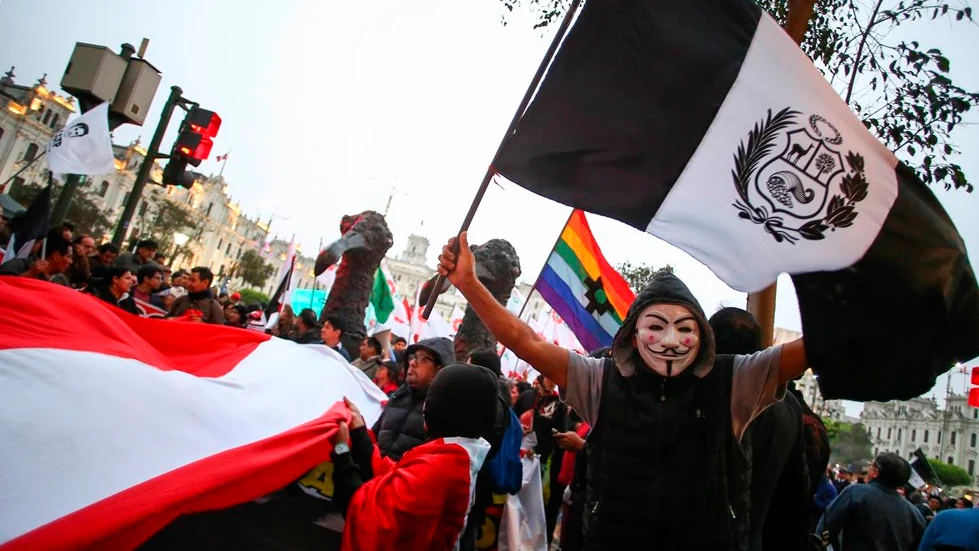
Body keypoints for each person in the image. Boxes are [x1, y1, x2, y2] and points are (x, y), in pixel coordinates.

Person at [436, 231, 811, 550]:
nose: (670, 341)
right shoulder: (601, 380)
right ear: (633, 334)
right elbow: (527, 341)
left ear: (703, 336)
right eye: (656, 326)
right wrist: (469, 283)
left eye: (684, 329)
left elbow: (806, 351)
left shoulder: (731, 382)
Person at [330, 365, 499, 551]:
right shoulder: (454, 456)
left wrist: (341, 452)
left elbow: (368, 519)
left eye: (433, 397)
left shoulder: (439, 469)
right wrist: (359, 434)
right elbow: (392, 480)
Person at [817, 452, 926, 551]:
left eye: (871, 466)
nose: (868, 469)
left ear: (875, 472)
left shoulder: (856, 493)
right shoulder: (916, 516)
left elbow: (827, 525)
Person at [371, 337, 454, 461]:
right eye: (414, 357)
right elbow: (374, 434)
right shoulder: (399, 395)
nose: (413, 363)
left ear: (440, 370)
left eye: (423, 359)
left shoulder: (441, 413)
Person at [0, 229, 73, 286]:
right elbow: (4, 288)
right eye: (68, 256)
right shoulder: (17, 266)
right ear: (56, 255)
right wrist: (30, 274)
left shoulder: (61, 281)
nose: (71, 261)